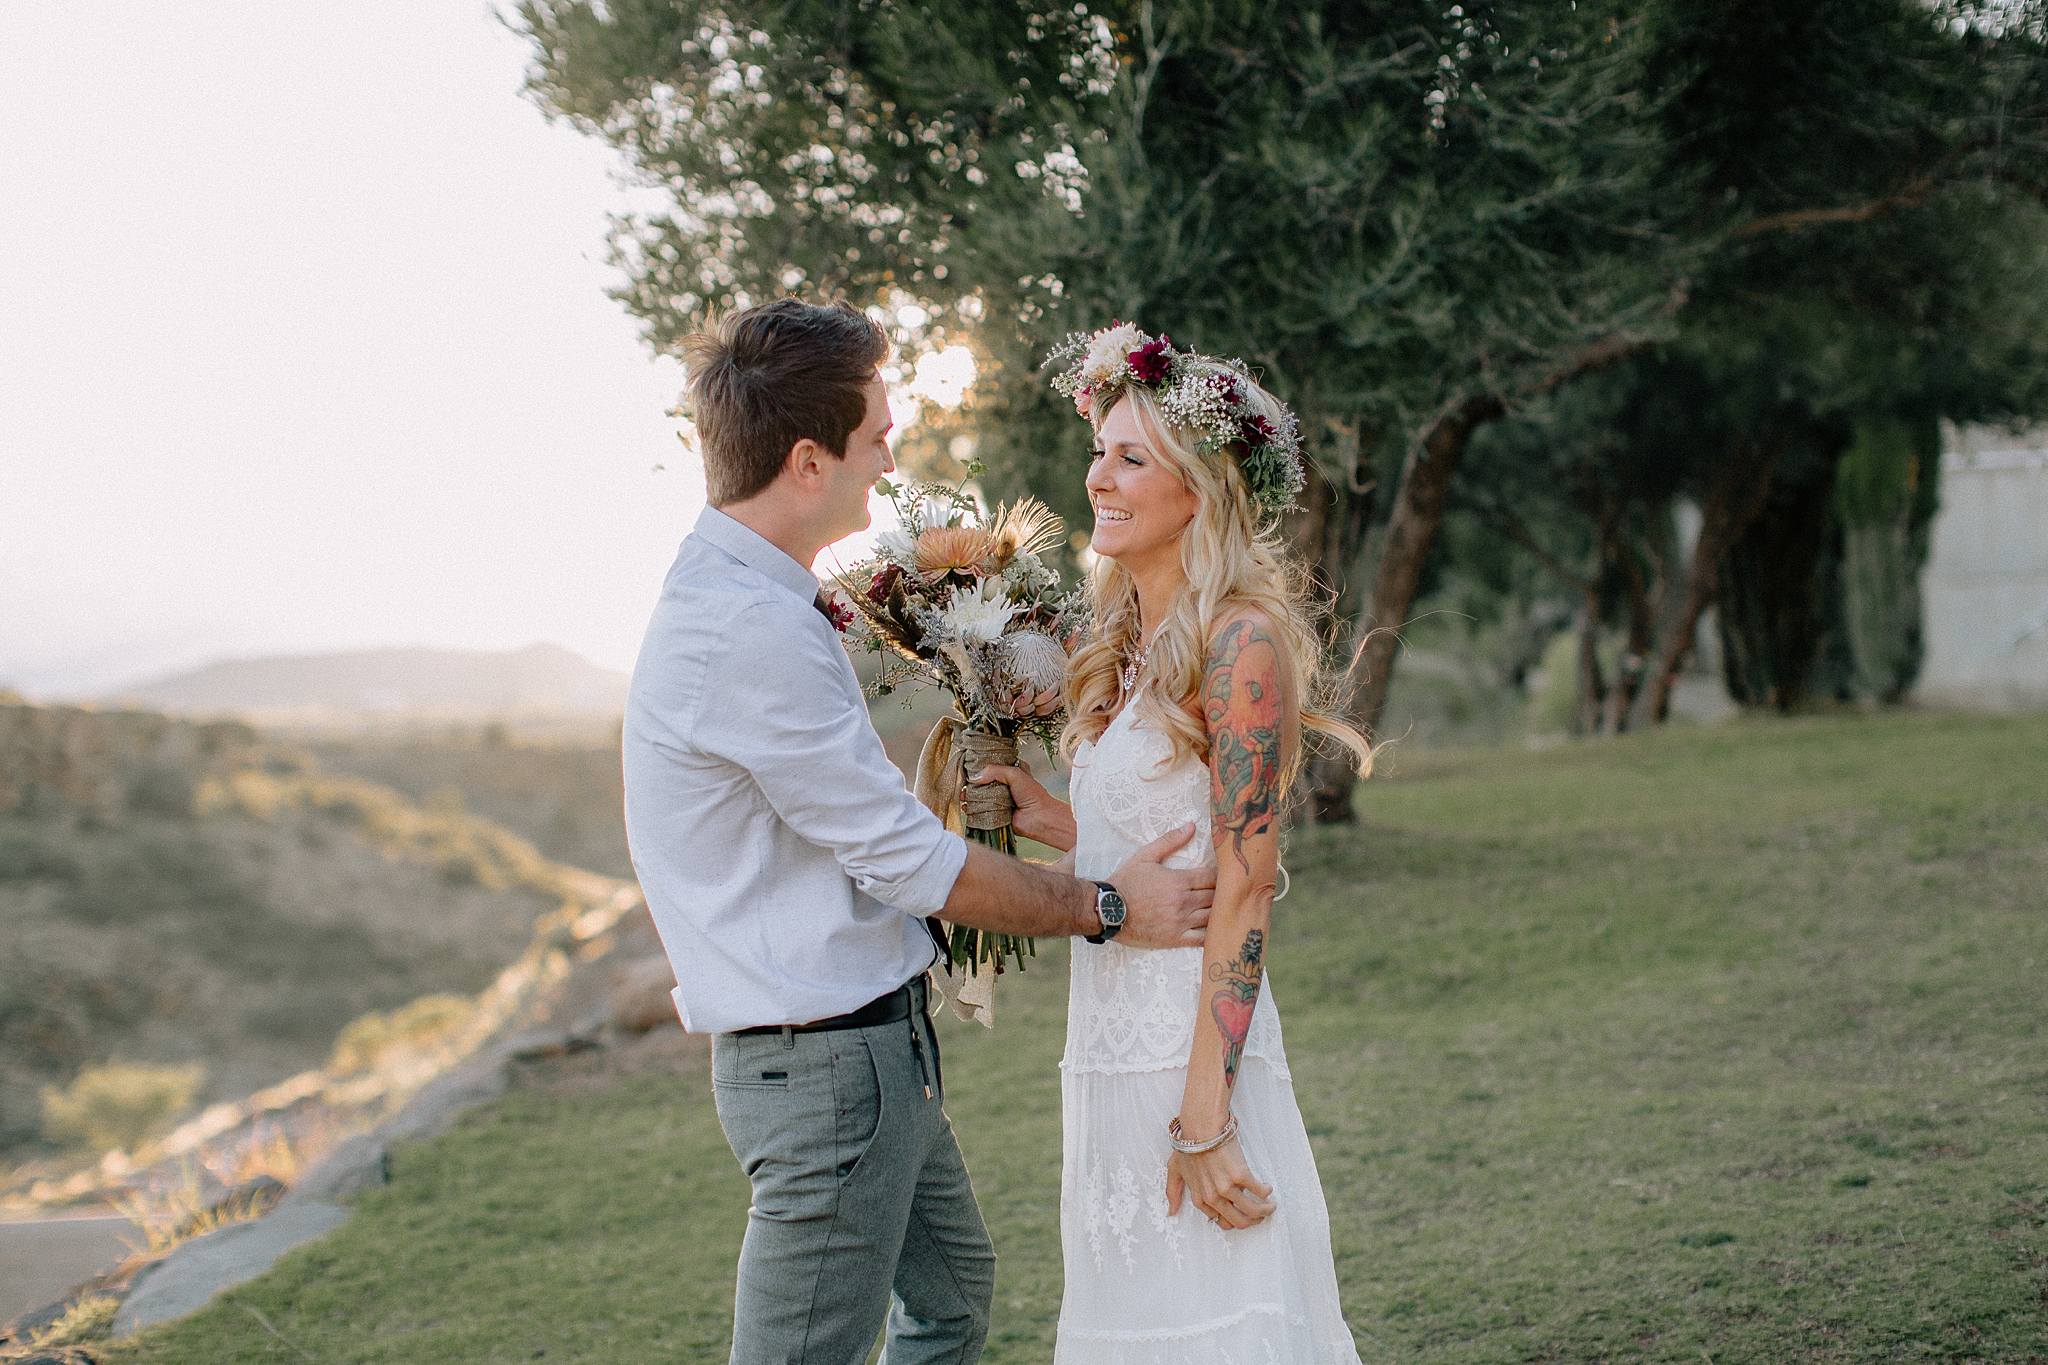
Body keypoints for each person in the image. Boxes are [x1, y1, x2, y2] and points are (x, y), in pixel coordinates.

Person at [620, 299, 1216, 1365]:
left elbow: (837, 808)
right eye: (873, 434)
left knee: (948, 1306)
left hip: (869, 1046)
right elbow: (907, 865)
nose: (890, 451)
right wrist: (1107, 905)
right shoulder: (743, 628)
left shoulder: (753, 595)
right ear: (807, 461)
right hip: (822, 1071)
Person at [973, 323, 1373, 1362]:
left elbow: (1245, 885)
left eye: (1131, 457)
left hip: (1188, 1053)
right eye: (1099, 448)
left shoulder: (1238, 641)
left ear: (1200, 490)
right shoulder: (1123, 642)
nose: (1097, 475)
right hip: (1103, 1045)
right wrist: (1051, 819)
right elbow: (1165, 828)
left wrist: (1205, 1115)